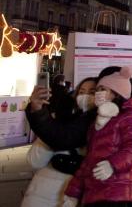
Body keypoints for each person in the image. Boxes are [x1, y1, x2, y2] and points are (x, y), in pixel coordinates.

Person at [63, 67, 132, 206]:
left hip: (120, 195)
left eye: (103, 89)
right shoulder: (97, 122)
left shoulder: (130, 115)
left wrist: (113, 165)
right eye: (98, 90)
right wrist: (73, 193)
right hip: (95, 194)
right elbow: (90, 159)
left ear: (116, 93)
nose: (98, 93)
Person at [21, 77, 97, 207]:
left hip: (73, 197)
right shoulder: (60, 122)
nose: (85, 97)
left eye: (92, 92)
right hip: (43, 195)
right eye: (82, 92)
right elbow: (34, 160)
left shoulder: (101, 128)